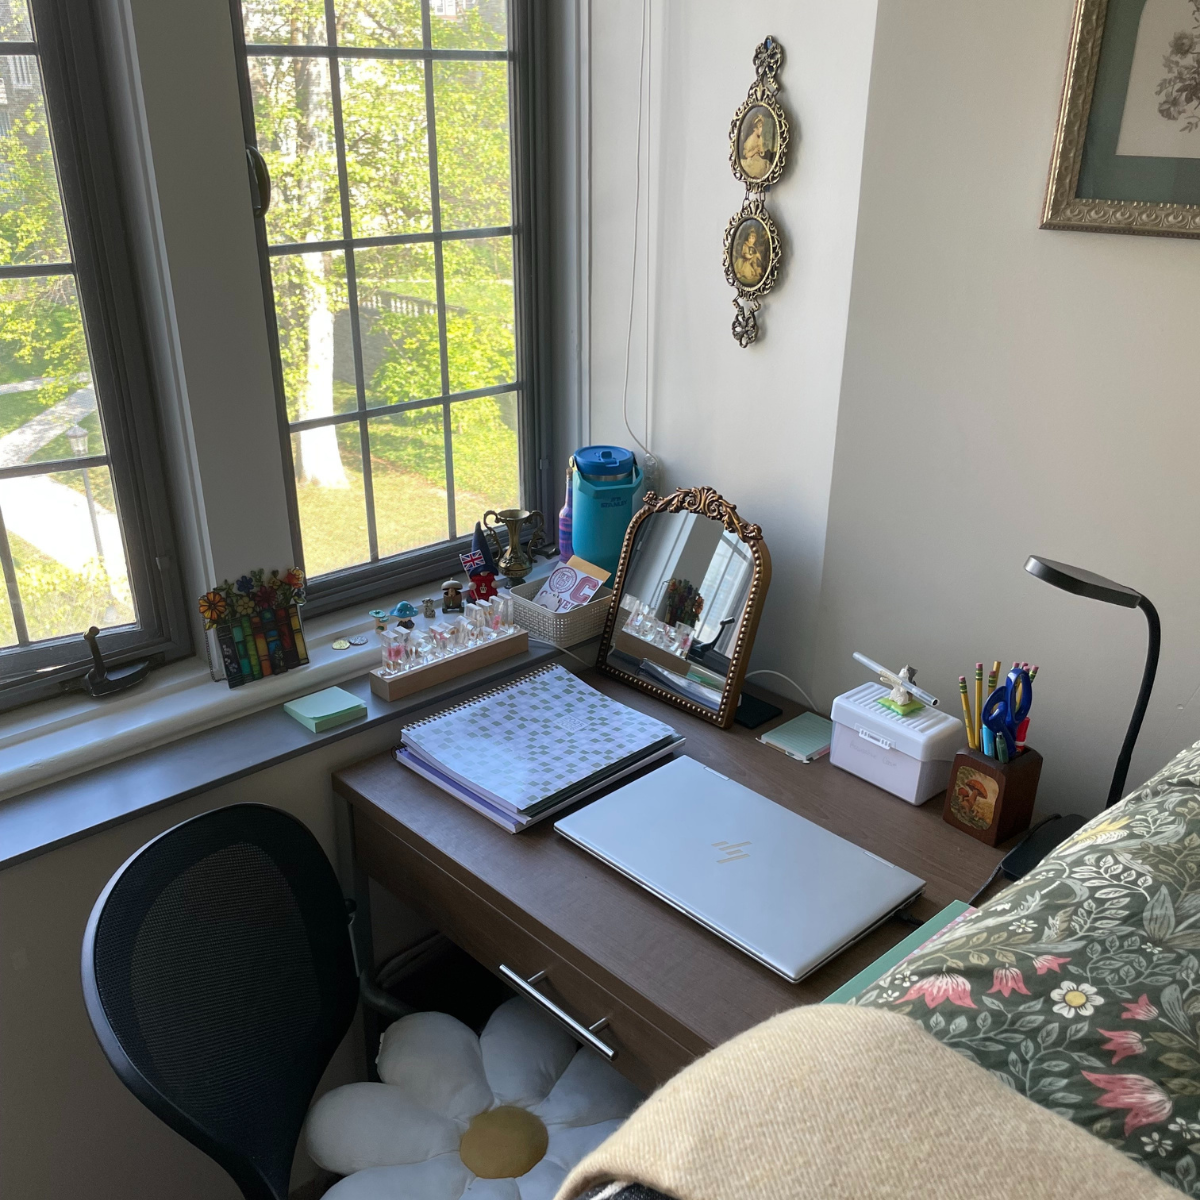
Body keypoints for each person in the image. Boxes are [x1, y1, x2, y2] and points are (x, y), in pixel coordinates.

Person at [740, 112, 772, 177]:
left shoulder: (760, 138)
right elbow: (747, 154)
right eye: (760, 127)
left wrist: (761, 151)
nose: (762, 129)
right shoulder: (751, 139)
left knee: (767, 166)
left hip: (758, 159)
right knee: (760, 168)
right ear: (755, 129)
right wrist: (755, 151)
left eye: (762, 127)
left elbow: (761, 151)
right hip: (752, 162)